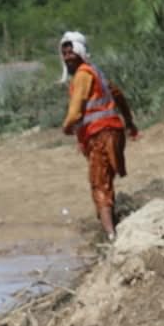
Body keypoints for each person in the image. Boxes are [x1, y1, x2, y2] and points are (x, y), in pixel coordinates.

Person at [58, 31, 138, 241]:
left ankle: (111, 237)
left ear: (79, 52)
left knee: (99, 184)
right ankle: (111, 225)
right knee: (106, 181)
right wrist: (129, 122)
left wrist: (67, 127)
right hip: (114, 132)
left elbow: (75, 111)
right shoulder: (97, 74)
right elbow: (118, 94)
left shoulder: (83, 75)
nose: (67, 57)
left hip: (100, 135)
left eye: (70, 52)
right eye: (64, 53)